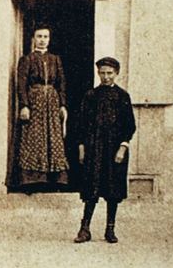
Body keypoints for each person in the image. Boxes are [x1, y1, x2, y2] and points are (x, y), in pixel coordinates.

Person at [74, 57, 136, 244]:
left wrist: (123, 148)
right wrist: (82, 147)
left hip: (114, 148)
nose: (106, 76)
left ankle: (110, 229)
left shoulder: (122, 96)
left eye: (110, 73)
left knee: (113, 189)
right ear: (98, 73)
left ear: (117, 73)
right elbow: (82, 124)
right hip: (94, 148)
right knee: (91, 189)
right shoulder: (91, 95)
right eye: (102, 72)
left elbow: (129, 125)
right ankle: (85, 229)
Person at [16, 24, 69, 188]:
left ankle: (55, 178)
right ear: (33, 38)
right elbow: (21, 84)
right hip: (35, 102)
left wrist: (62, 105)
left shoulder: (55, 59)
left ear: (49, 39)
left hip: (52, 103)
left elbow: (61, 84)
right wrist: (24, 105)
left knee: (54, 136)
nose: (42, 40)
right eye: (39, 36)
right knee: (34, 137)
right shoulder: (27, 59)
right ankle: (34, 178)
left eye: (45, 37)